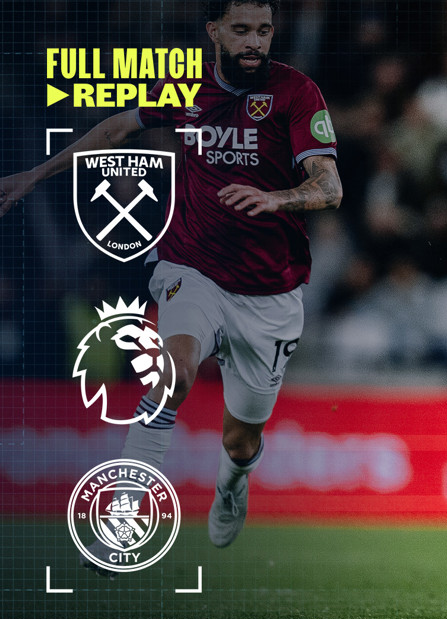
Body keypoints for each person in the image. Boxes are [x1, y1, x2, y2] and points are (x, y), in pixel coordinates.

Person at [0, 0, 342, 573]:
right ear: (214, 32)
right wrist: (36, 174)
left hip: (271, 293)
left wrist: (276, 198)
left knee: (241, 441)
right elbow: (114, 126)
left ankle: (232, 485)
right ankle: (124, 517)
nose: (254, 41)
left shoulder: (296, 93)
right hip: (193, 268)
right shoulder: (183, 87)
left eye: (263, 29)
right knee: (173, 373)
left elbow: (329, 187)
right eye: (241, 30)